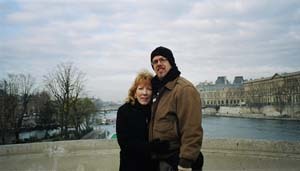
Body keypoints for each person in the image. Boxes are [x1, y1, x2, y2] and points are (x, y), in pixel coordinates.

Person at [148, 46, 204, 171]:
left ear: (171, 63)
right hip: (160, 160)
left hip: (176, 161)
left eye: (162, 60)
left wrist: (185, 162)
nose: (159, 64)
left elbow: (192, 129)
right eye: (155, 62)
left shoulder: (184, 89)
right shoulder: (157, 89)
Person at [116, 70, 169, 171]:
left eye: (149, 89)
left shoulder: (155, 110)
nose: (144, 93)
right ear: (134, 92)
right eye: (140, 88)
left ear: (153, 93)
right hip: (131, 166)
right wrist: (152, 147)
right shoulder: (124, 111)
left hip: (152, 166)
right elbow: (125, 143)